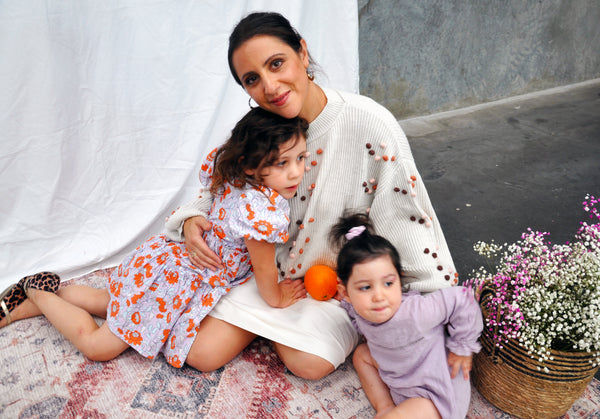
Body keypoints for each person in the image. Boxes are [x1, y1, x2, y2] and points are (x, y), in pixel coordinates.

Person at [163, 11, 459, 380]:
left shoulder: (370, 122)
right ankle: (265, 320)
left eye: (276, 63)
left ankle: (270, 324)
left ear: (302, 53)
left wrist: (438, 309)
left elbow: (406, 218)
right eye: (252, 79)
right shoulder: (264, 131)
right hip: (262, 273)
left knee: (310, 365)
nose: (269, 86)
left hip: (327, 285)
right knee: (200, 354)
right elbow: (225, 188)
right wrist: (192, 218)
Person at [0, 108, 309, 368]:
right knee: (99, 347)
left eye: (301, 158)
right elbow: (266, 276)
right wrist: (279, 297)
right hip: (174, 280)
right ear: (252, 165)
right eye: (283, 163)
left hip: (170, 264)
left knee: (109, 302)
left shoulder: (235, 177)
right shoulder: (259, 211)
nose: (296, 173)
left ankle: (24, 306)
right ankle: (37, 290)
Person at [331, 212, 483, 419]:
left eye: (388, 283)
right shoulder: (362, 310)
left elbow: (463, 298)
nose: (379, 296)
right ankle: (384, 405)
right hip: (401, 380)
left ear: (399, 280)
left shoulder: (416, 313)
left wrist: (463, 346)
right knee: (361, 355)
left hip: (435, 396)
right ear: (346, 292)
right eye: (365, 287)